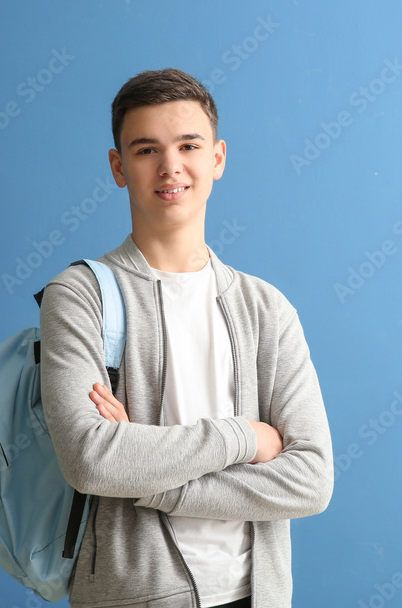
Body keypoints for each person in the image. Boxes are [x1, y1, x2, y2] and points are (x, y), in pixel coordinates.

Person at [40, 68, 334, 608]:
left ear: (217, 158)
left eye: (188, 145)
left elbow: (311, 479)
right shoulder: (80, 295)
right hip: (132, 596)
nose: (170, 167)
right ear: (118, 167)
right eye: (146, 148)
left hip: (258, 595)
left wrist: (148, 480)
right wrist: (246, 436)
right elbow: (91, 460)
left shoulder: (265, 308)